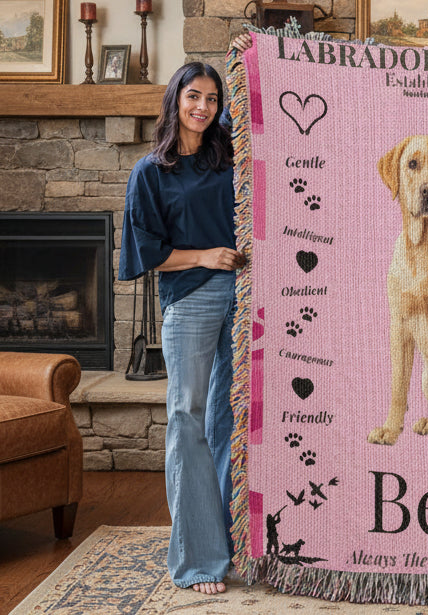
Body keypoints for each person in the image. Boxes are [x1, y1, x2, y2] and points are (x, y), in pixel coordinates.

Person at [118, 59, 247, 595]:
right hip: (190, 300)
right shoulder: (151, 171)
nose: (202, 107)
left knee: (227, 421)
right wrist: (205, 257)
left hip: (244, 297)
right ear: (175, 100)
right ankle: (196, 560)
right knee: (187, 419)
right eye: (193, 97)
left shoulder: (229, 153)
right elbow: (146, 254)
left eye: (212, 100)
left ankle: (226, 543)